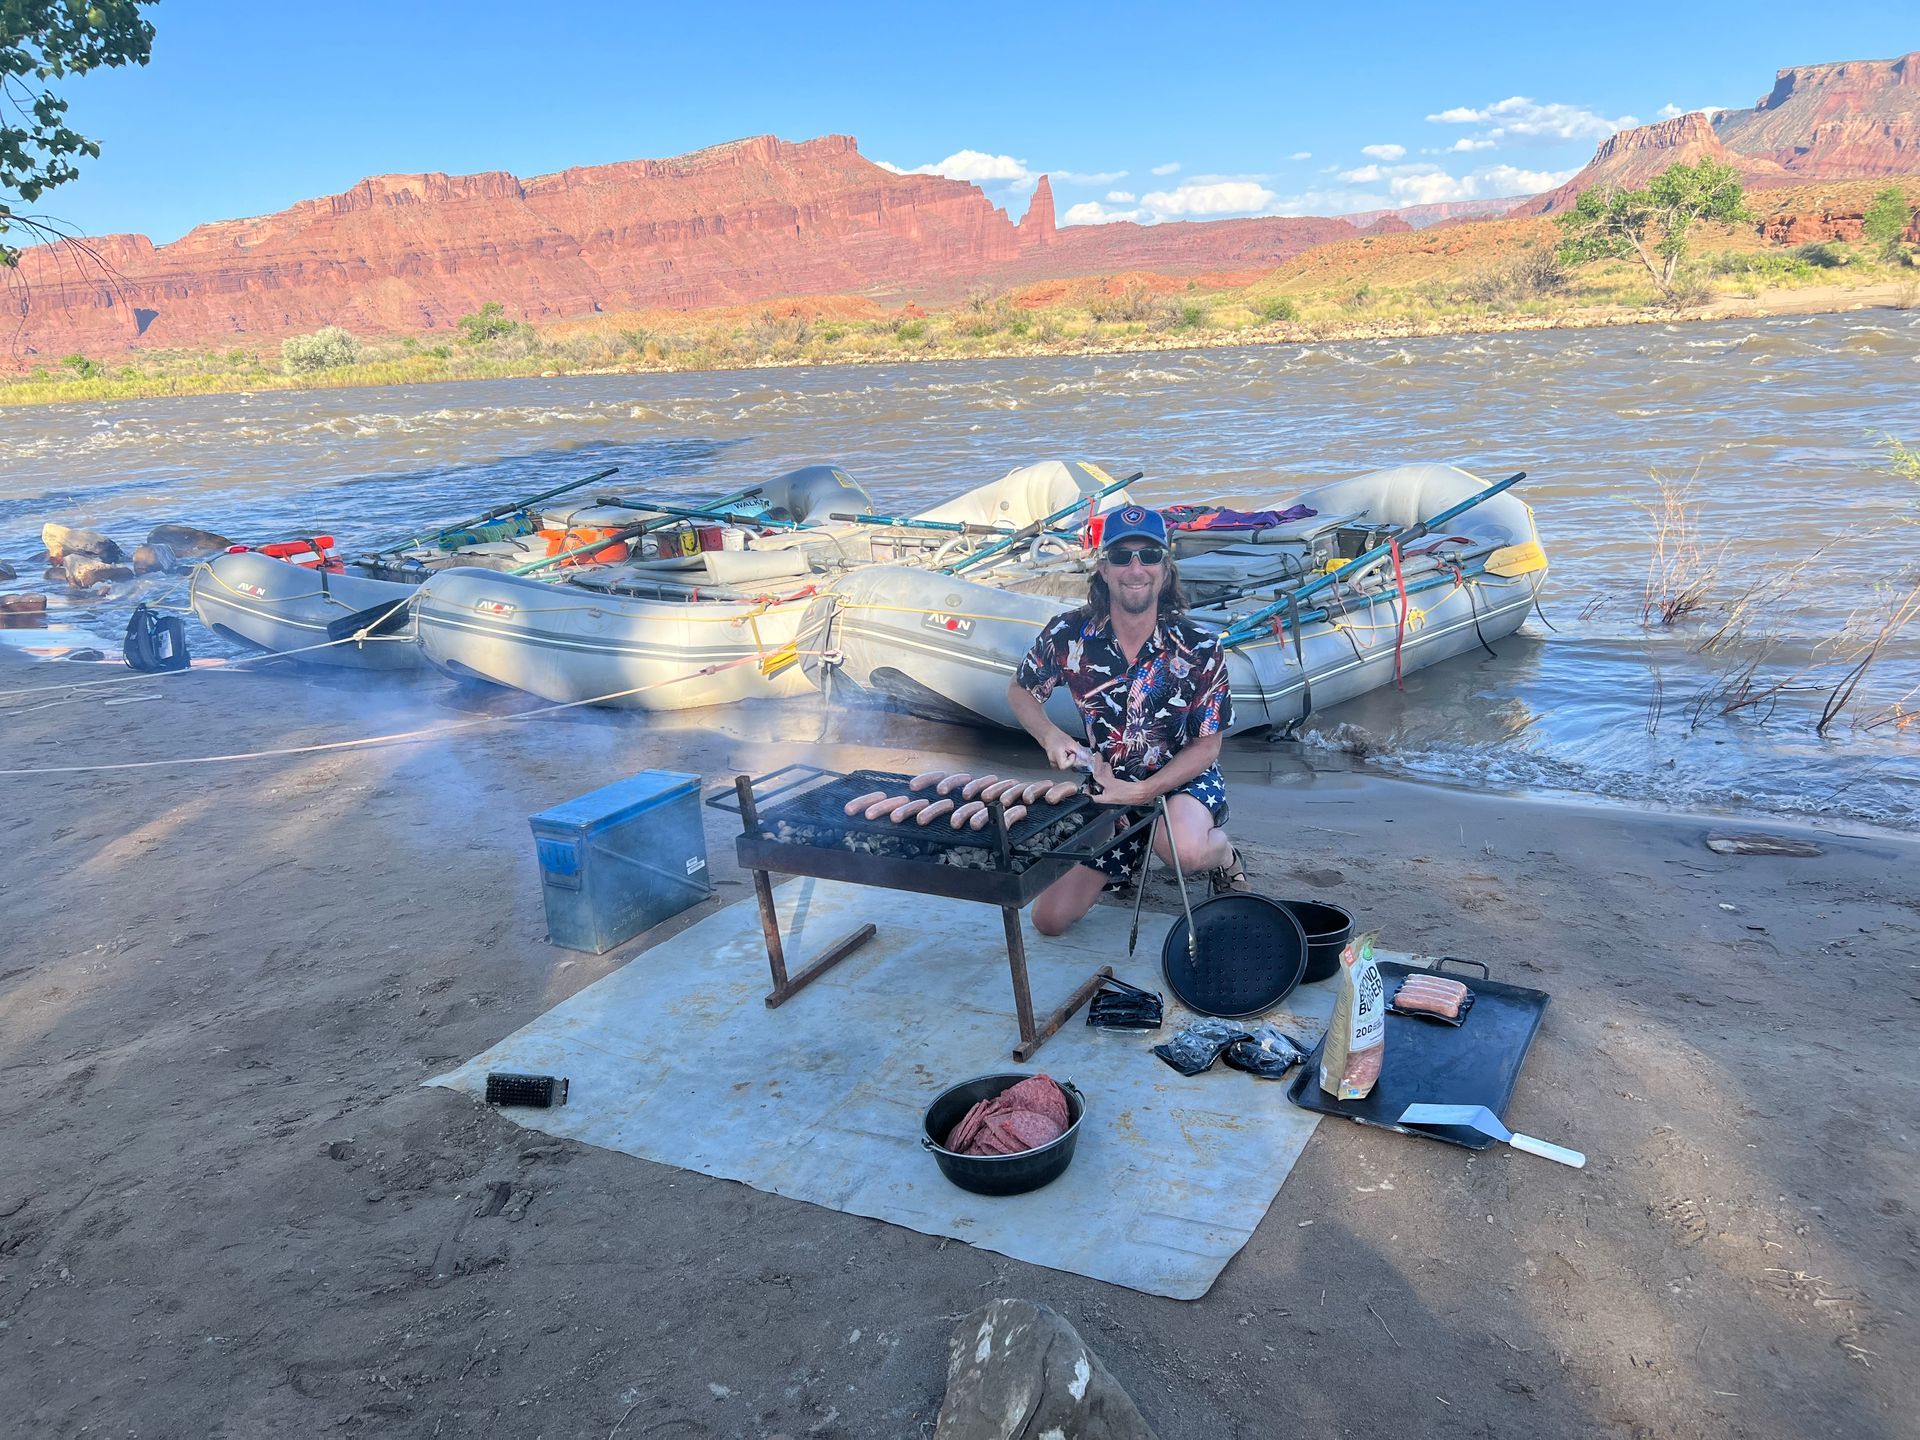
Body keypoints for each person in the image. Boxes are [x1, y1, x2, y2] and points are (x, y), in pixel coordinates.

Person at [1005, 503, 1248, 937]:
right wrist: (1050, 735)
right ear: (1102, 568)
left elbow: (1208, 746)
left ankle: (1225, 856)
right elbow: (1021, 690)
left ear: (1166, 568)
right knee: (1049, 921)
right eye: (1121, 556)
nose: (1136, 568)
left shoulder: (1200, 647)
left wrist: (1145, 792)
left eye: (1149, 555)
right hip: (1108, 786)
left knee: (1184, 852)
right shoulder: (1067, 634)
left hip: (1182, 782)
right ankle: (1128, 855)